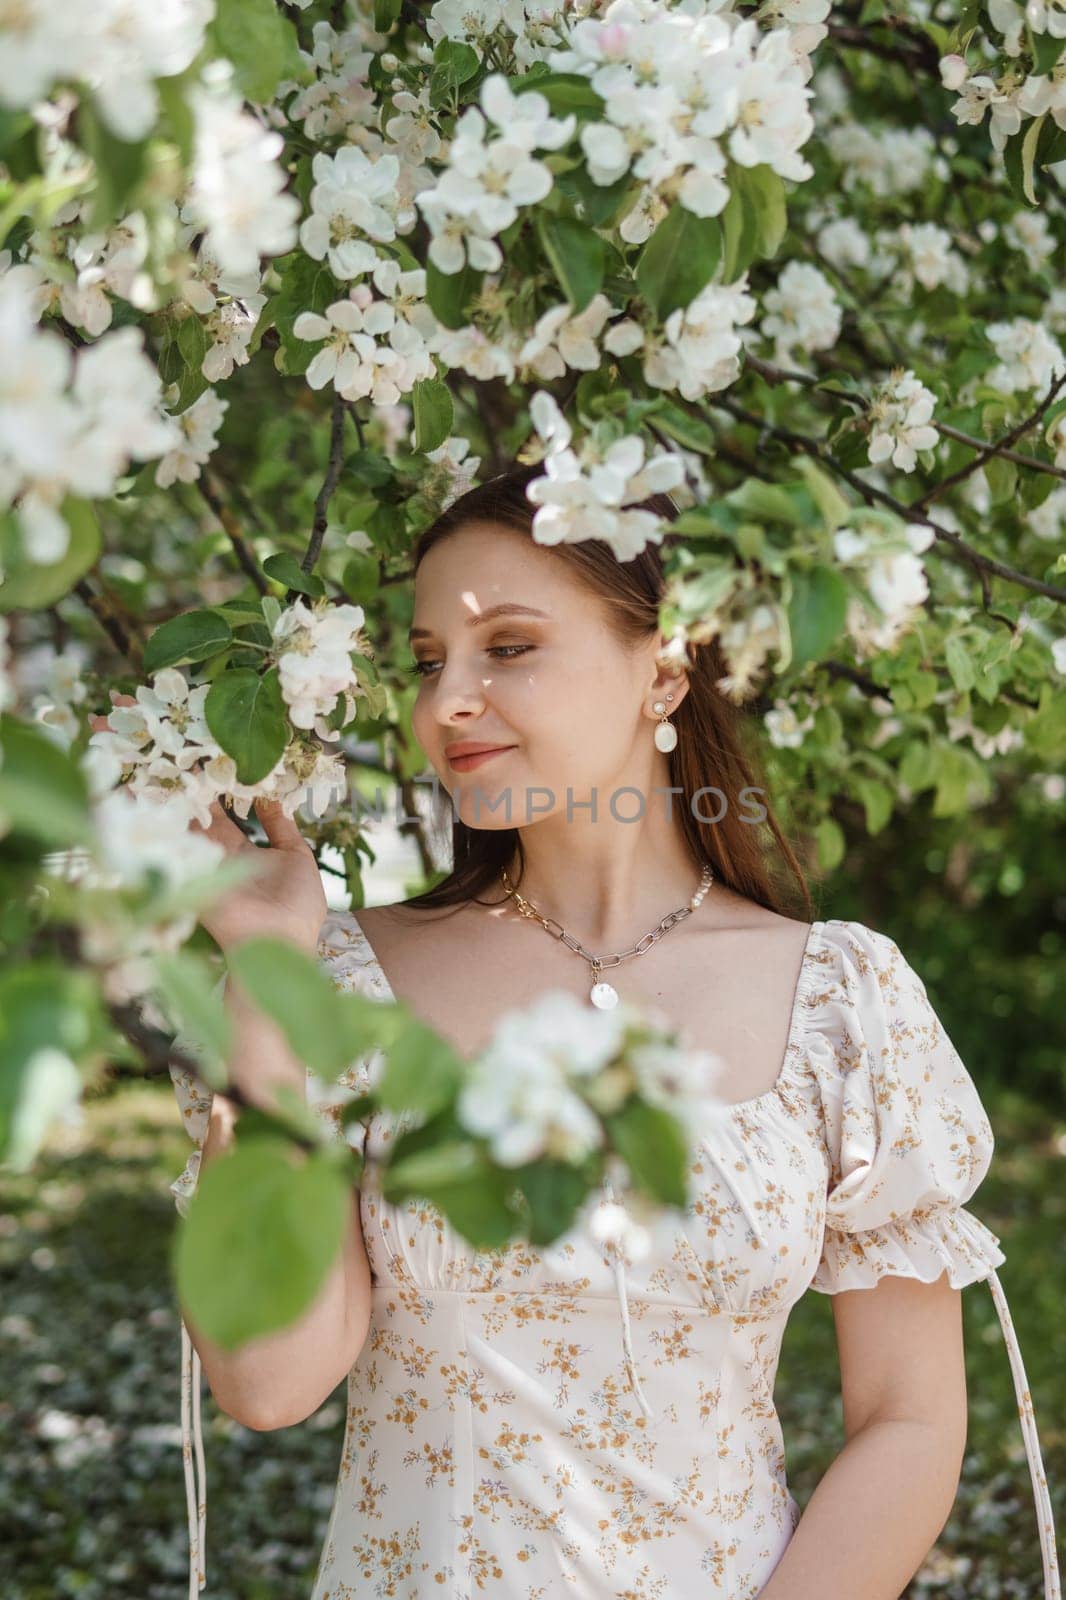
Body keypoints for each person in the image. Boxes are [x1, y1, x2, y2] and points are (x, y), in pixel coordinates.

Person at [169, 463, 1061, 1600]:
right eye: (428, 659)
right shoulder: (338, 981)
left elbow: (909, 1417)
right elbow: (268, 1379)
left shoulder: (840, 997)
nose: (446, 701)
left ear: (665, 666)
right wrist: (262, 970)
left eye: (507, 647)